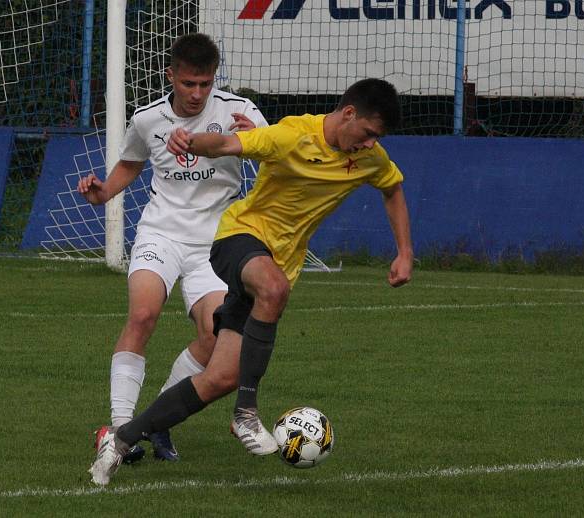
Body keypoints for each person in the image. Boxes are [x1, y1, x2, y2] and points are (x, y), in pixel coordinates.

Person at [89, 78, 413, 485]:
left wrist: (404, 251)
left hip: (276, 266)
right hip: (237, 238)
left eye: (376, 138)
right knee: (273, 288)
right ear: (349, 113)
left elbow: (393, 189)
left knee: (219, 377)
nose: (370, 144)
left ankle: (121, 439)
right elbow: (227, 145)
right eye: (368, 133)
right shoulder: (293, 134)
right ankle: (246, 414)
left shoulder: (370, 158)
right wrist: (189, 142)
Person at [78, 33, 267, 465]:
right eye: (188, 84)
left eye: (205, 83)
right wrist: (104, 193)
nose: (197, 93)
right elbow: (131, 162)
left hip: (217, 244)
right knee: (143, 315)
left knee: (215, 334)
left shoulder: (240, 112)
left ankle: (155, 419)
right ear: (171, 77)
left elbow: (278, 155)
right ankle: (119, 427)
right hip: (161, 233)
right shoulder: (149, 119)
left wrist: (257, 139)